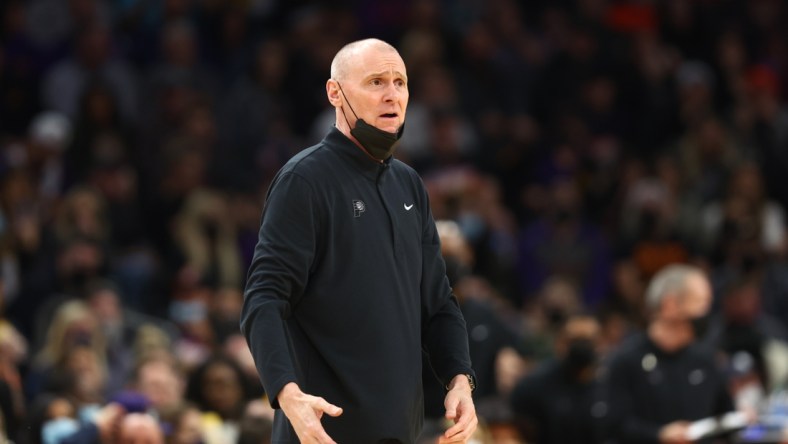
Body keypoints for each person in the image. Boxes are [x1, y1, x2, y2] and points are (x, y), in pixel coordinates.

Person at [240, 38, 477, 443]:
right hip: (323, 433)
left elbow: (438, 305)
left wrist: (459, 379)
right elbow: (264, 298)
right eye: (375, 82)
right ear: (335, 92)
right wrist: (287, 392)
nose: (392, 95)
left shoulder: (409, 184)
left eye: (400, 82)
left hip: (400, 432)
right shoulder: (304, 180)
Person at [601, 264, 735, 444]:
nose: (706, 313)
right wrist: (658, 435)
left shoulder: (707, 360)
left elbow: (728, 421)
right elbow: (614, 425)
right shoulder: (625, 361)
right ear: (670, 305)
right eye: (701, 303)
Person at [509, 314, 606, 444]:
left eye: (587, 341)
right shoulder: (535, 385)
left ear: (600, 344)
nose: (581, 347)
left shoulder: (609, 384)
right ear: (560, 343)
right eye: (575, 341)